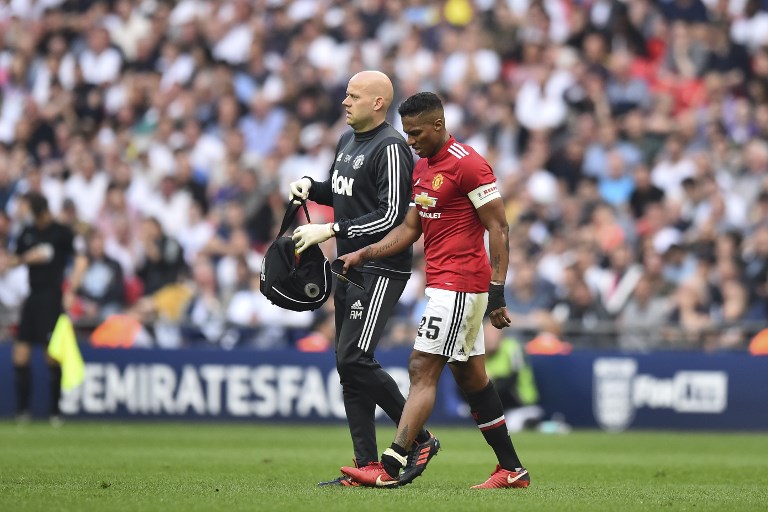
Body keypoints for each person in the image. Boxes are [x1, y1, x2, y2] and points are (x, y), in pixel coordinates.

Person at [338, 92, 529, 489]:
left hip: (461, 285)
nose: (410, 141)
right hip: (442, 284)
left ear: (439, 125)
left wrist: (497, 291)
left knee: (421, 368)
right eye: (406, 133)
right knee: (472, 378)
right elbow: (411, 228)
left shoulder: (469, 165)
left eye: (417, 133)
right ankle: (512, 469)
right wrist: (364, 252)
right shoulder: (422, 167)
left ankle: (391, 466)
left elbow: (499, 227)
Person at [287, 71, 438, 486]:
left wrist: (332, 230)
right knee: (347, 365)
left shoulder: (392, 147)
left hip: (380, 267)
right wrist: (311, 188)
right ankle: (366, 466)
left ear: (377, 102)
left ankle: (419, 438)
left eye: (353, 96)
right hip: (349, 265)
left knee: (354, 358)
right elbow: (344, 194)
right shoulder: (346, 141)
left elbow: (392, 215)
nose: (344, 102)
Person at [9, 192, 87, 424]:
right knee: (20, 355)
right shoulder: (27, 233)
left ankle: (56, 412)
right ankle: (23, 411)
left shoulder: (61, 232)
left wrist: (71, 289)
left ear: (38, 210)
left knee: (51, 356)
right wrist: (23, 260)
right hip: (32, 298)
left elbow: (81, 260)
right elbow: (15, 259)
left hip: (52, 298)